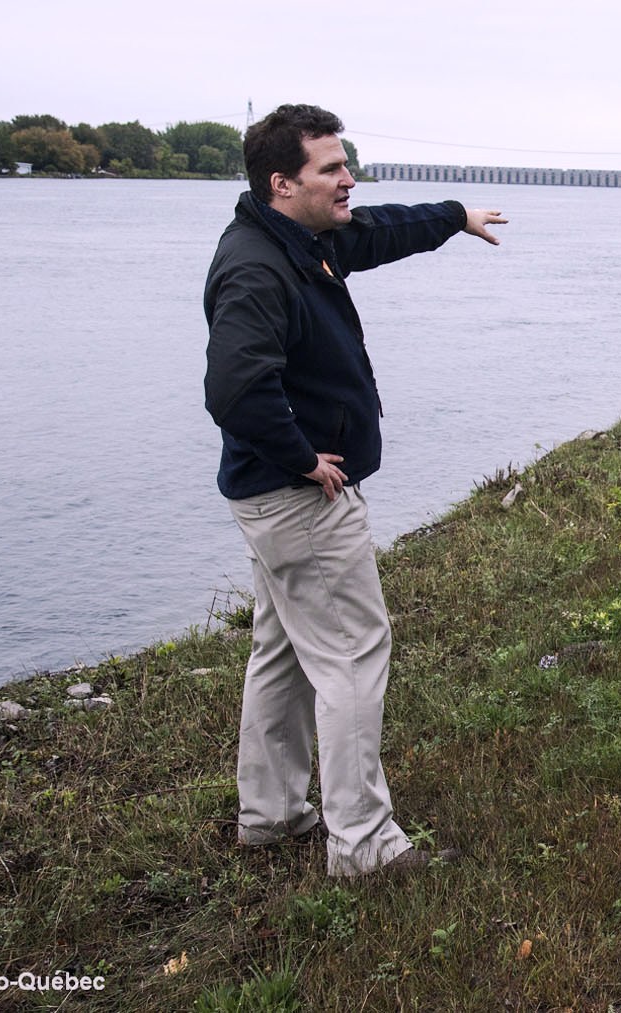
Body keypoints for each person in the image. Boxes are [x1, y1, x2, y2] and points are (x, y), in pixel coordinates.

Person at [203, 103, 507, 877]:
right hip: (301, 500)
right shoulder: (255, 266)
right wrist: (305, 458)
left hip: (275, 499)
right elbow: (236, 388)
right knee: (352, 657)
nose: (349, 180)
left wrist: (454, 217)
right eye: (332, 169)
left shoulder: (300, 241)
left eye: (347, 164)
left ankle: (271, 816)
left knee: (280, 653)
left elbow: (373, 232)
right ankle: (365, 846)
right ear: (282, 183)